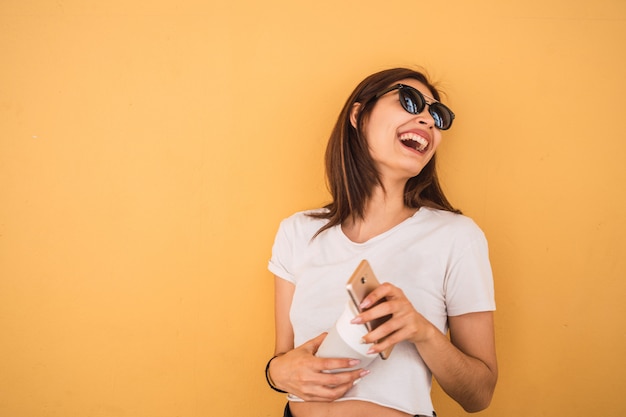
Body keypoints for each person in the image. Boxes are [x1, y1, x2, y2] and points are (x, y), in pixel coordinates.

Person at [265, 67, 497, 417]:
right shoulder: (297, 232)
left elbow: (479, 394)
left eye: (437, 116)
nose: (428, 121)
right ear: (359, 115)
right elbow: (283, 358)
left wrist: (422, 331)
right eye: (409, 101)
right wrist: (276, 373)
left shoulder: (457, 237)